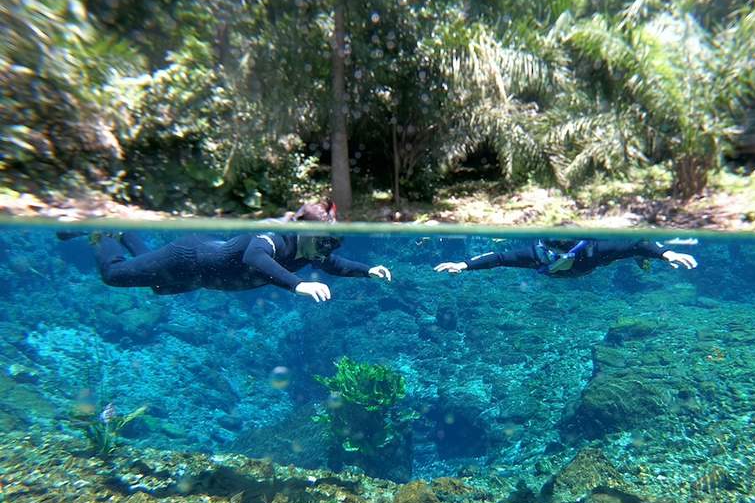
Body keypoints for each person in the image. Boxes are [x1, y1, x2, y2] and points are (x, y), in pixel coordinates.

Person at [62, 200, 392, 302]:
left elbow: (333, 264)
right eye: (324, 241)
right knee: (113, 274)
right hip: (187, 260)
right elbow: (253, 258)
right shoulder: (275, 237)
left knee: (156, 284)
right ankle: (101, 230)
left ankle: (123, 229)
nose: (326, 249)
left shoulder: (311, 248)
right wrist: (298, 284)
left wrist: (368, 270)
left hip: (200, 275)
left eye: (331, 243)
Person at [433, 237, 697, 276]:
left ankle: (642, 260)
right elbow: (499, 257)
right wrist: (464, 264)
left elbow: (638, 242)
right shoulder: (535, 256)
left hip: (595, 262)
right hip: (580, 268)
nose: (549, 257)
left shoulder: (594, 251)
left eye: (555, 254)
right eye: (546, 252)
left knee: (628, 251)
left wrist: (666, 253)